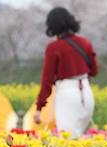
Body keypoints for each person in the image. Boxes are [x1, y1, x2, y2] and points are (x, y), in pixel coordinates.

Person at [34, 7, 99, 138]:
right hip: (86, 94)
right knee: (79, 139)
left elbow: (47, 81)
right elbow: (94, 71)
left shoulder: (53, 48)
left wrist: (39, 108)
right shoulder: (85, 43)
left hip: (67, 95)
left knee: (67, 140)